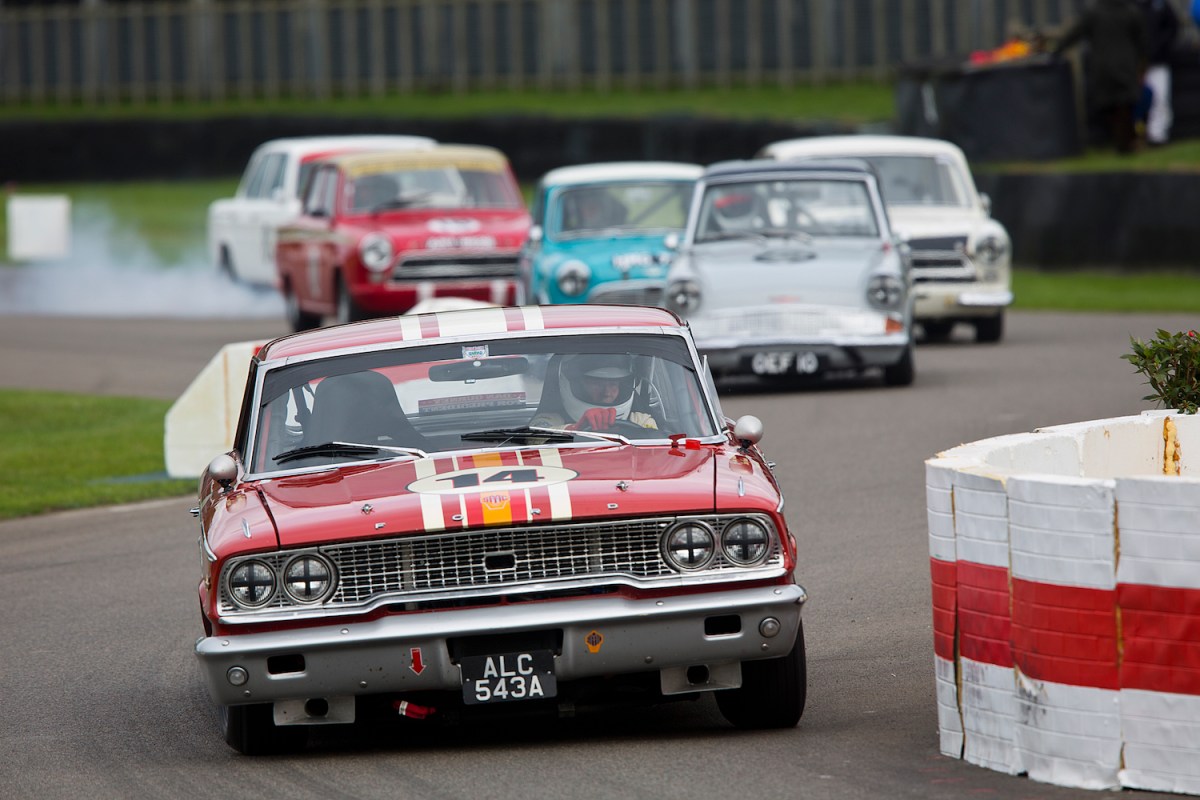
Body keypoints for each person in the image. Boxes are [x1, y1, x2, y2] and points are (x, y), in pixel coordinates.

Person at [1053, 0, 1150, 155]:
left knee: (1110, 106)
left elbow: (1075, 33)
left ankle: (1121, 142)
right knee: (1125, 106)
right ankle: (1124, 142)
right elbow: (1143, 42)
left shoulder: (1095, 12)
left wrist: (1056, 50)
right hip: (1126, 66)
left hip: (1102, 67)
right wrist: (1143, 64)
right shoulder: (1131, 11)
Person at [530, 353, 658, 432]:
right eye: (597, 384)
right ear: (577, 383)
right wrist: (575, 429)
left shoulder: (640, 420)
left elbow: (658, 450)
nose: (607, 393)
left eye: (613, 384)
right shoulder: (549, 420)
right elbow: (533, 440)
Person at [1135, 0, 1181, 146]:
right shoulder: (1133, 6)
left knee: (1160, 99)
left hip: (1159, 62)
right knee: (1135, 100)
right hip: (1137, 64)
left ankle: (1158, 135)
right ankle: (1137, 135)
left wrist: (1161, 48)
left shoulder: (1161, 5)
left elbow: (1173, 26)